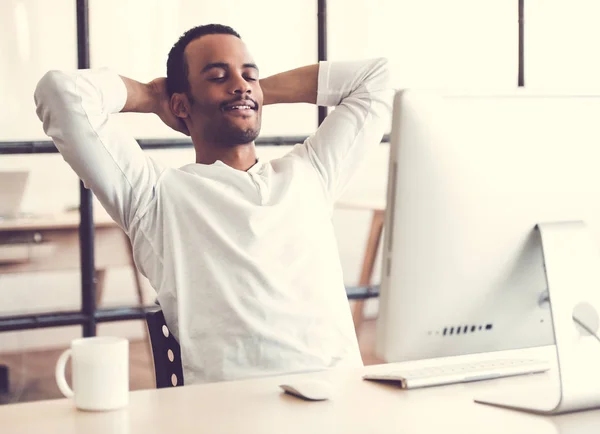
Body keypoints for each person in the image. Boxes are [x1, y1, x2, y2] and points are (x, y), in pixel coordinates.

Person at [34, 24, 392, 384]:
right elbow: (61, 93)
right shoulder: (155, 196)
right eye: (218, 76)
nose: (241, 83)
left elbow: (374, 79)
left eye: (249, 74)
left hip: (341, 401)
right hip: (230, 410)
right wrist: (152, 95)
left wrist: (253, 91)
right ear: (181, 103)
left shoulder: (310, 173)